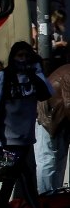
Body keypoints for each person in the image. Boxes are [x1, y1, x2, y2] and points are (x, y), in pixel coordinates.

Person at [0, 41, 53, 208]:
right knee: (22, 179)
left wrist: (38, 70)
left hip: (25, 141)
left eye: (26, 56)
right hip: (8, 141)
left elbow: (48, 93)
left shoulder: (33, 79)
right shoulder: (3, 78)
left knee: (13, 182)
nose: (23, 60)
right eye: (19, 56)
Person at [36, 62, 70, 194]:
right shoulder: (68, 74)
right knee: (47, 161)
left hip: (59, 122)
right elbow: (68, 104)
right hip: (48, 119)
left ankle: (54, 199)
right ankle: (45, 197)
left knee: (58, 162)